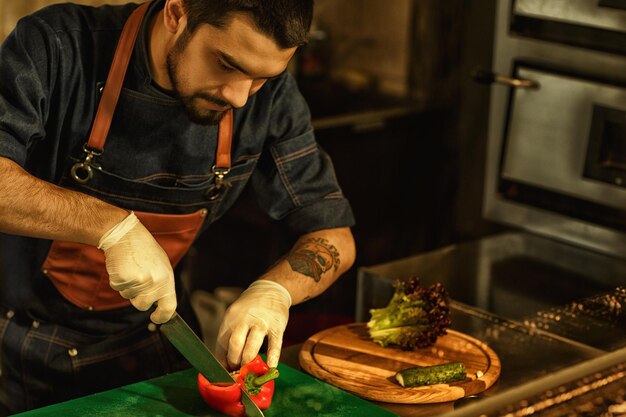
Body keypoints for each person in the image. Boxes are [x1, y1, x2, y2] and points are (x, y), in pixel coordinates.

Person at [0, 0, 356, 413]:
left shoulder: (270, 98)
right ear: (176, 13)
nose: (240, 97)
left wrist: (275, 291)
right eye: (225, 63)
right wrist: (111, 227)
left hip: (161, 348)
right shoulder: (58, 46)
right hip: (26, 352)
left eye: (261, 77)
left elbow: (335, 235)